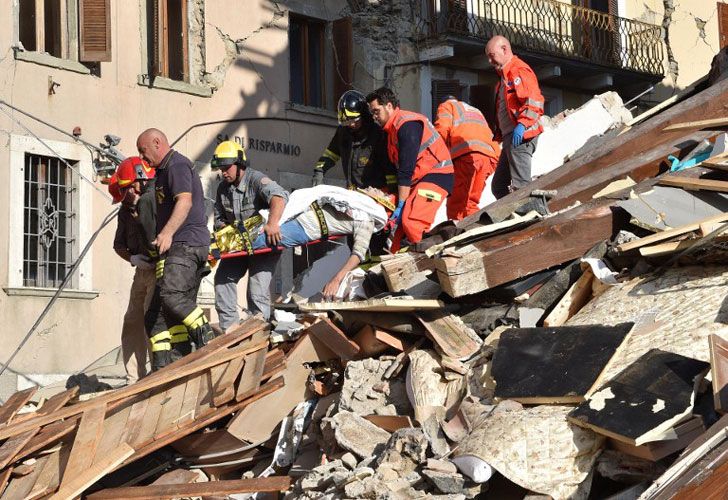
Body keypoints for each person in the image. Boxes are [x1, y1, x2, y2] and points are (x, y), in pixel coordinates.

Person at [213, 185, 386, 300]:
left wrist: (336, 279)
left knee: (260, 237)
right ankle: (217, 240)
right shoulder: (350, 200)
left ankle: (215, 247)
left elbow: (358, 254)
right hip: (300, 208)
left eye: (378, 191)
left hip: (304, 228)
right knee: (259, 221)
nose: (372, 188)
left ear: (379, 203)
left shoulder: (366, 219)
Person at [136, 128, 212, 370]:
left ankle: (207, 339)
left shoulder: (177, 166)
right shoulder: (163, 172)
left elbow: (185, 201)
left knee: (172, 296)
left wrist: (167, 233)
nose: (142, 157)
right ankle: (169, 367)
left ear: (157, 142)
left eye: (143, 151)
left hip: (186, 245)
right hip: (175, 250)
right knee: (156, 319)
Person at [365, 87, 454, 251]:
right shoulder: (391, 131)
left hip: (436, 175)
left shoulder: (407, 124)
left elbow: (406, 169)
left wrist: (400, 205)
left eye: (376, 111)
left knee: (412, 222)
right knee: (397, 240)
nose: (374, 117)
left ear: (389, 106)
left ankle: (436, 259)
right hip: (420, 180)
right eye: (372, 113)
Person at [212, 140, 288, 331]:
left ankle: (258, 333)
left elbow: (279, 196)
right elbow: (219, 219)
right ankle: (229, 331)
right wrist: (223, 233)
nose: (223, 172)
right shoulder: (223, 188)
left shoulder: (256, 179)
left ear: (239, 165)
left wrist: (272, 223)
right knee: (222, 280)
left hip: (263, 247)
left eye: (227, 167)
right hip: (239, 247)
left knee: (256, 290)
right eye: (221, 168)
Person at [110, 157, 157, 383]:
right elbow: (118, 245)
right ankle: (134, 378)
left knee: (151, 319)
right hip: (141, 271)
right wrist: (132, 258)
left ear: (139, 181)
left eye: (126, 189)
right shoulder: (124, 211)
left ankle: (158, 373)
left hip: (160, 270)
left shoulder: (156, 200)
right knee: (132, 321)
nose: (124, 196)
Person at [485, 35, 545, 199]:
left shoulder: (518, 70)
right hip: (511, 137)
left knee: (521, 186)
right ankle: (512, 216)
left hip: (521, 135)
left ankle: (528, 216)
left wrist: (522, 125)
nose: (490, 61)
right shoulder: (503, 79)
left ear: (504, 49)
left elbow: (534, 101)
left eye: (492, 55)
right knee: (498, 187)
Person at [312, 90, 398, 192]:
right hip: (352, 193)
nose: (351, 125)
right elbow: (330, 155)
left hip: (375, 196)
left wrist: (393, 194)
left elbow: (390, 170)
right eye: (347, 121)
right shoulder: (343, 132)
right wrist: (319, 172)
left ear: (365, 116)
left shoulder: (378, 135)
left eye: (355, 120)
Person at [435, 96, 501, 220]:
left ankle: (455, 235)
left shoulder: (447, 106)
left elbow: (442, 129)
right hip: (489, 158)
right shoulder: (475, 110)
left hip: (466, 156)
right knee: (470, 203)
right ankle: (475, 233)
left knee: (457, 204)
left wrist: (435, 155)